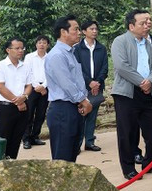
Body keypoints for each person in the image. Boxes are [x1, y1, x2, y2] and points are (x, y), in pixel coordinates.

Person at [111, 9, 152, 179]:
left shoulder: (148, 43)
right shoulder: (120, 41)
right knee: (127, 132)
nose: (147, 25)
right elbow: (122, 66)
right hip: (127, 93)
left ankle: (149, 163)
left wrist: (150, 81)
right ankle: (128, 169)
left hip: (148, 92)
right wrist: (143, 82)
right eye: (143, 22)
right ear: (131, 26)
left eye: (149, 21)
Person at [45, 15, 93, 162]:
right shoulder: (57, 55)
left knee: (72, 155)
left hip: (73, 109)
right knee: (62, 158)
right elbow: (66, 84)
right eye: (76, 29)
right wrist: (84, 101)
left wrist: (81, 101)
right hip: (62, 110)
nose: (79, 32)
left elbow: (76, 81)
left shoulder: (70, 53)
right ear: (63, 32)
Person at [0, 37, 32, 159]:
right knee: (2, 138)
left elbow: (29, 85)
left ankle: (11, 162)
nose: (20, 51)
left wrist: (24, 97)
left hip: (23, 107)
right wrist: (17, 102)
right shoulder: (0, 66)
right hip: (6, 108)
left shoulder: (25, 66)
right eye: (17, 48)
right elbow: (0, 87)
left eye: (22, 48)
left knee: (16, 138)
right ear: (8, 50)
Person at [73, 20, 109, 151]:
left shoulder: (101, 48)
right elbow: (76, 68)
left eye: (96, 29)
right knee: (81, 114)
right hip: (82, 87)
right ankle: (76, 144)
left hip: (97, 87)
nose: (94, 31)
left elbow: (105, 67)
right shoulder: (77, 48)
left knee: (92, 115)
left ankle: (89, 142)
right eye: (91, 29)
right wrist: (89, 82)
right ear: (84, 31)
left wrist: (97, 83)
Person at [22, 35, 50, 149]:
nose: (42, 44)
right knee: (29, 113)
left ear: (48, 45)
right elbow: (28, 72)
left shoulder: (50, 57)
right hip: (32, 88)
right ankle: (26, 138)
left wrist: (43, 86)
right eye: (39, 42)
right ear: (36, 44)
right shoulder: (29, 57)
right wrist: (37, 86)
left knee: (41, 114)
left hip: (45, 88)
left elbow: (51, 73)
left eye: (44, 42)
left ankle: (35, 136)